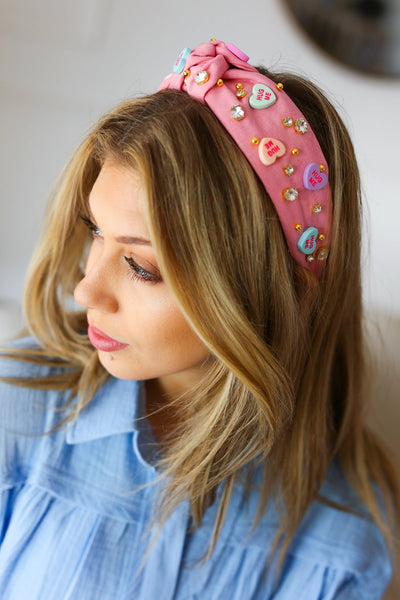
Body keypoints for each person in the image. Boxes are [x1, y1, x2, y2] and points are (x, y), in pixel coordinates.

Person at [0, 39, 398, 599]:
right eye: (96, 233)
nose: (86, 288)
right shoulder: (16, 411)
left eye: (140, 266)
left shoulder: (350, 537)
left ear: (273, 293)